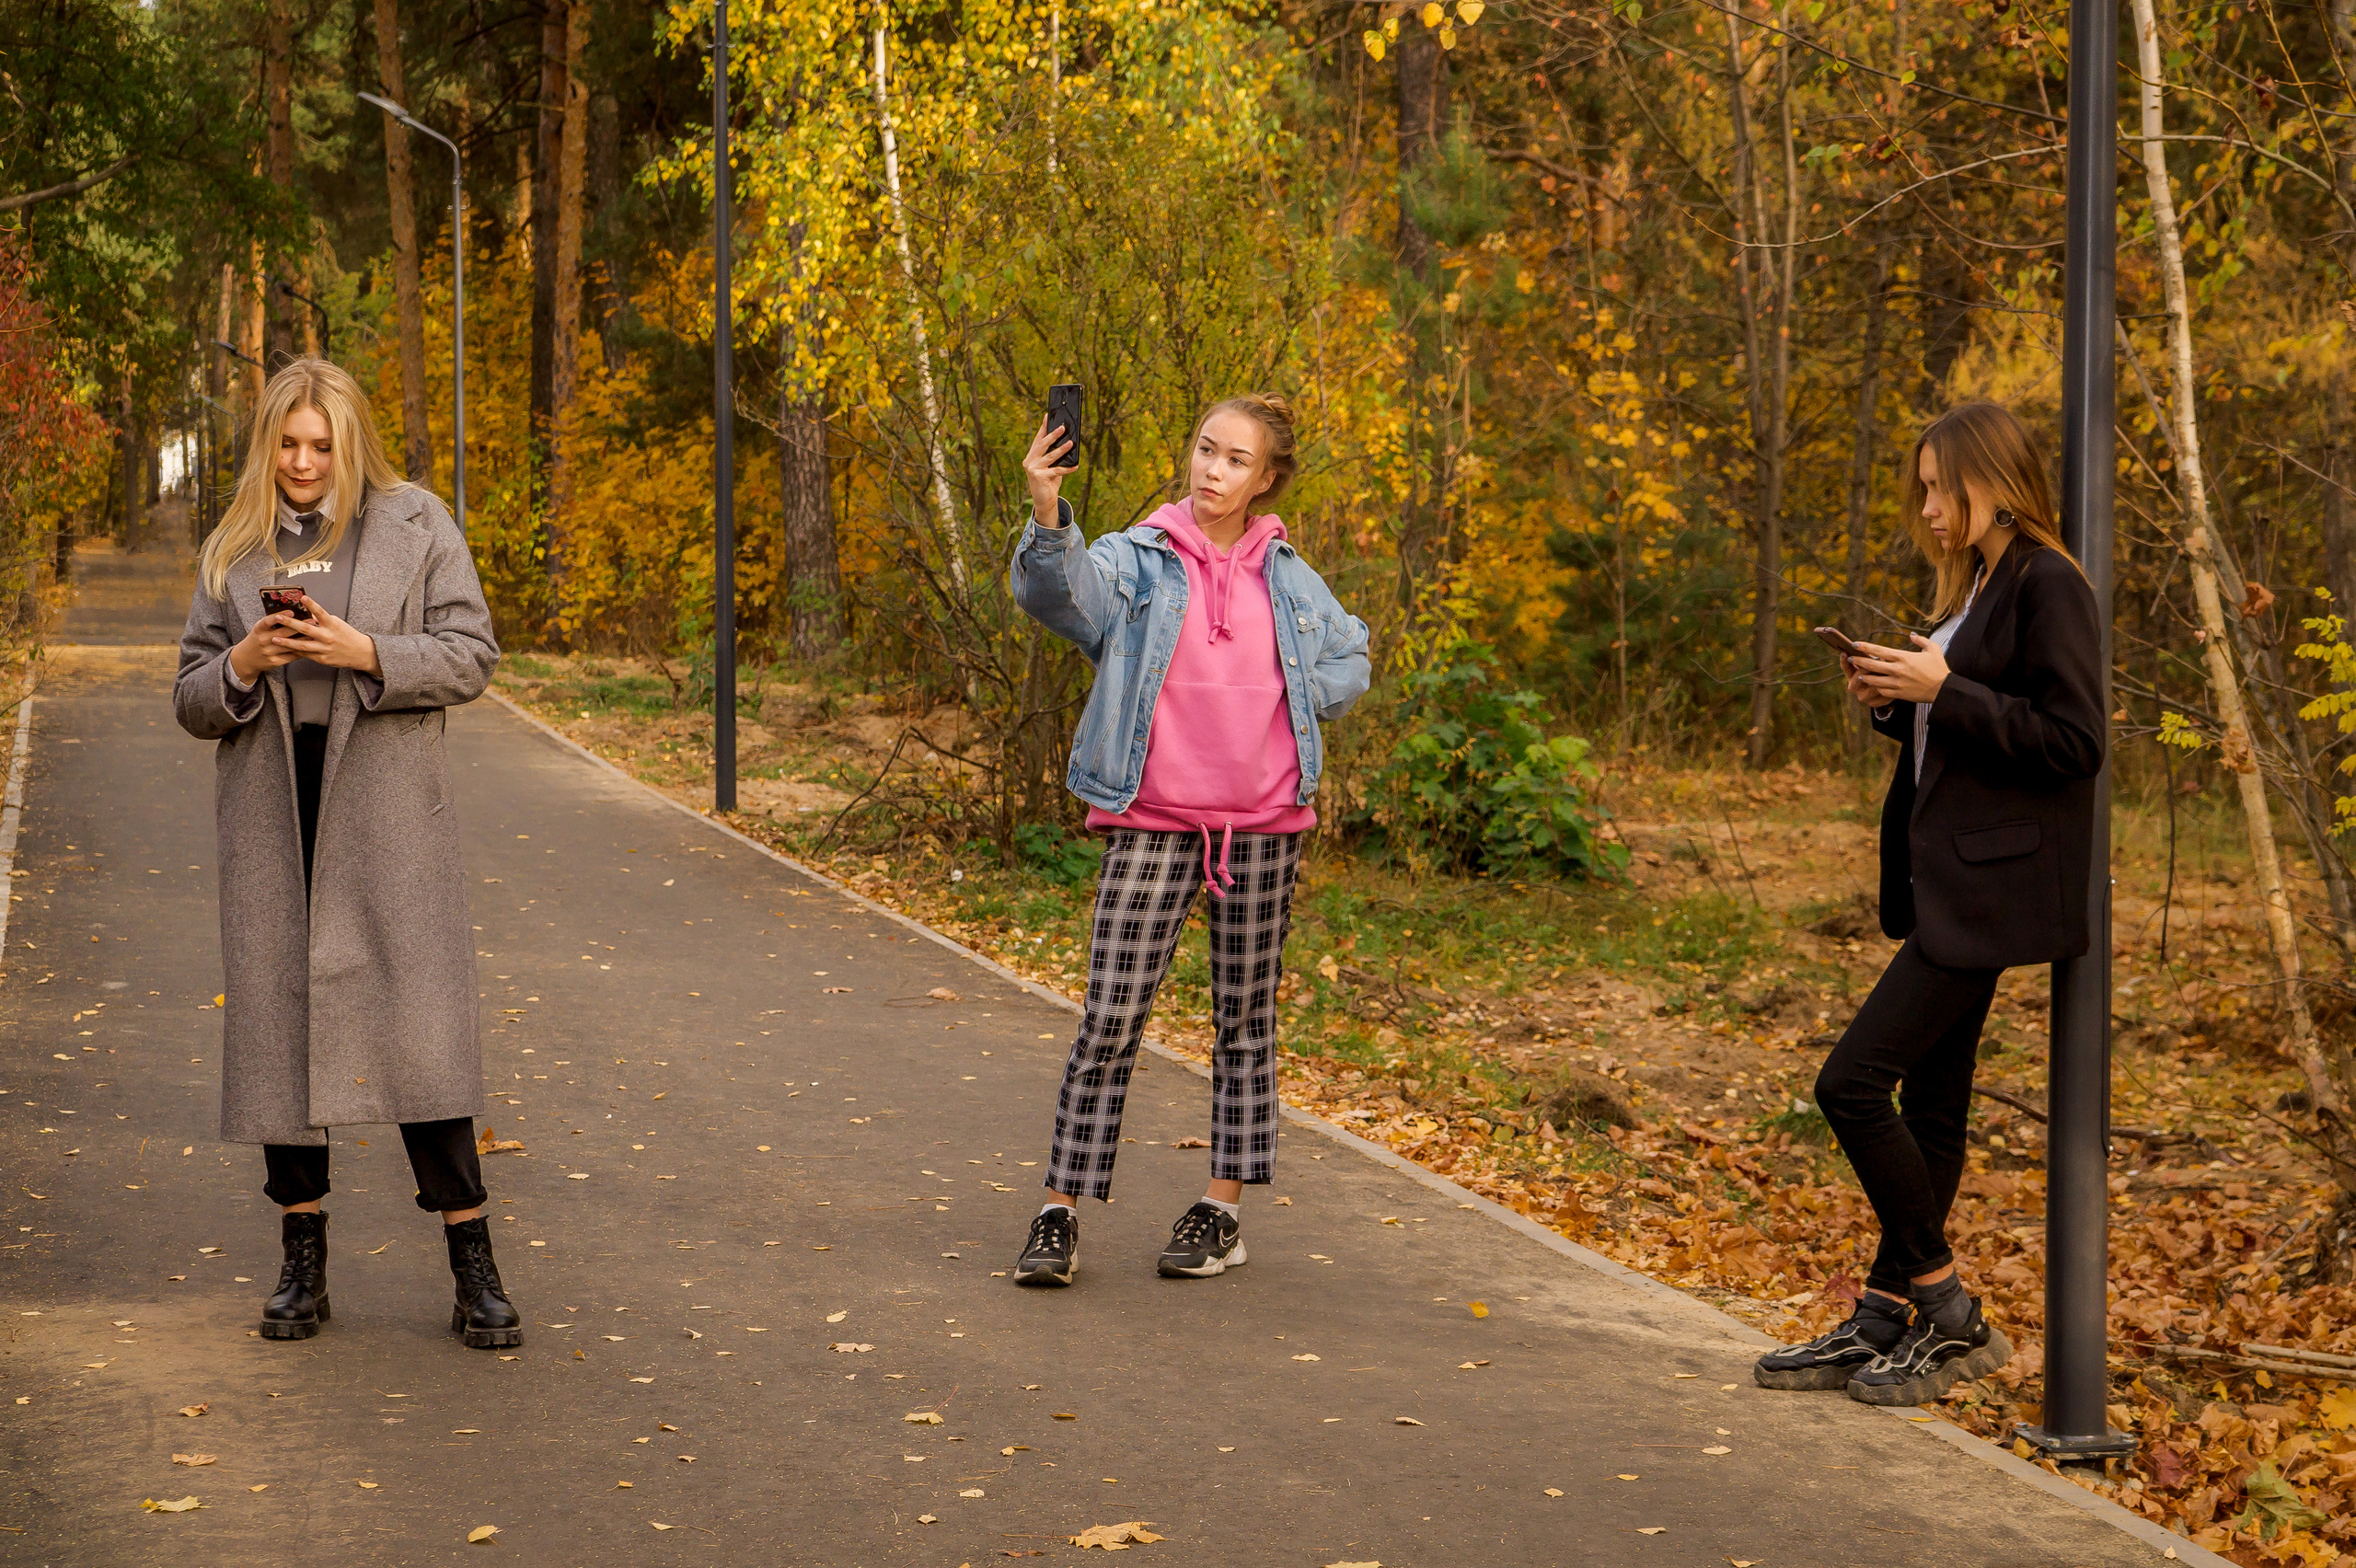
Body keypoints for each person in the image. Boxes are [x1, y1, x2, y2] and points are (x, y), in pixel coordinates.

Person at [1753, 401, 2103, 1404]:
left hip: (1992, 889)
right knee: (1932, 1105)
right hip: (1947, 879)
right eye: (1921, 488)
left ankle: (1945, 1308)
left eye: (1939, 486)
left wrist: (1943, 688)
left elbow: (2074, 743)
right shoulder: (1983, 583)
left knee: (1850, 1084)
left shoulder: (2046, 581)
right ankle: (1882, 1315)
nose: (1928, 507)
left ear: (1990, 480)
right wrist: (1896, 701)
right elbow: (1964, 729)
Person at [173, 357, 516, 1348]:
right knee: (285, 1036)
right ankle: (302, 1258)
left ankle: (473, 1262)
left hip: (391, 819)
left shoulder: (416, 522)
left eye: (322, 445)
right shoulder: (232, 547)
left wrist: (363, 651)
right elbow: (191, 693)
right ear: (266, 445)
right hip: (277, 817)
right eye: (287, 443)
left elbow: (472, 653)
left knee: (420, 1035)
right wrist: (244, 661)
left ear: (351, 441)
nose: (304, 462)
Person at [1006, 392, 1370, 1286]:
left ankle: (1221, 1211)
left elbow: (1350, 658)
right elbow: (1064, 601)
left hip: (1263, 828)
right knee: (1110, 1017)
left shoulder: (1287, 577)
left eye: (1235, 459)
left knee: (1244, 1024)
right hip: (1154, 821)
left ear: (1267, 478)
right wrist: (1047, 512)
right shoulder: (1140, 556)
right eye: (1205, 449)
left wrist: (1290, 706)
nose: (1212, 469)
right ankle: (1060, 1212)